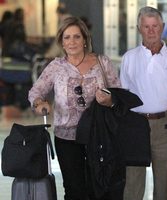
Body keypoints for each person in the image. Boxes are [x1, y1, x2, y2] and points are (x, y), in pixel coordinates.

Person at [28, 16, 121, 200]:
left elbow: (119, 94)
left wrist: (109, 100)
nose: (72, 42)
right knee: (74, 189)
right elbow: (36, 91)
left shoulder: (103, 63)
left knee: (101, 187)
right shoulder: (56, 67)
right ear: (61, 42)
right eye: (67, 37)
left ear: (85, 39)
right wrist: (40, 104)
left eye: (76, 37)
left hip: (100, 136)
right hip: (67, 137)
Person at [120, 6, 167, 200]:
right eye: (146, 26)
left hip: (166, 125)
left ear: (163, 27)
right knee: (132, 184)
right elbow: (123, 96)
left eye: (155, 26)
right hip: (135, 125)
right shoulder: (128, 58)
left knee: (165, 183)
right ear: (139, 29)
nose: (151, 31)